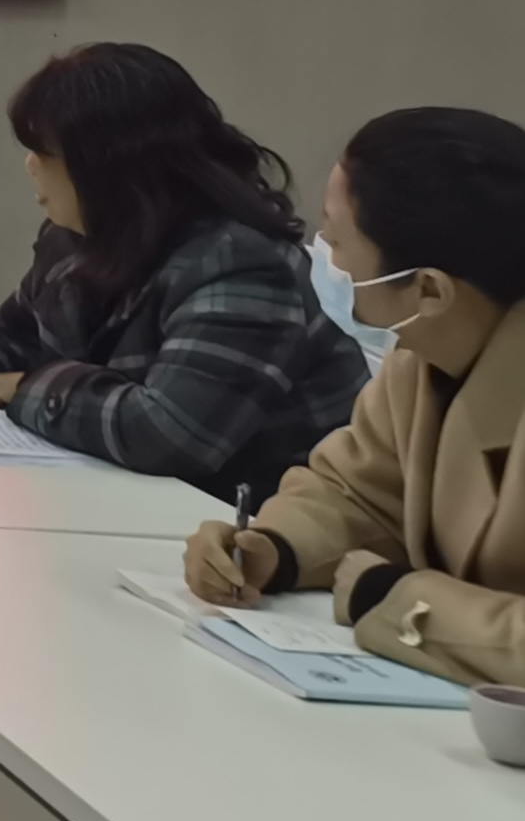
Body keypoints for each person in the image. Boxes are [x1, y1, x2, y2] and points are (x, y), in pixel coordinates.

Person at [0, 43, 364, 503]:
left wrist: (27, 389)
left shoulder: (240, 264)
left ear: (108, 166)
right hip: (127, 503)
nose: (30, 166)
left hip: (249, 531)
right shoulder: (77, 238)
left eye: (44, 153)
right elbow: (14, 336)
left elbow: (170, 435)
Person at [185, 108, 525, 685]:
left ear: (429, 289)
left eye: (338, 242)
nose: (324, 259)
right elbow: (358, 494)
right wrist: (273, 549)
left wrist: (393, 599)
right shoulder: (421, 356)